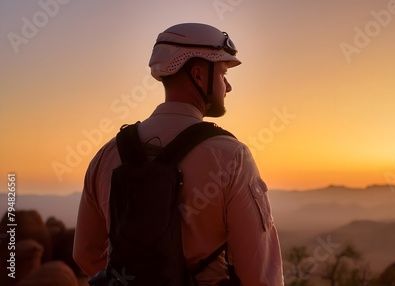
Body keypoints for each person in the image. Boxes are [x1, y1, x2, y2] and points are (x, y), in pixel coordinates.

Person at [73, 23, 284, 285]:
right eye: (222, 74)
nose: (227, 87)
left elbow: (85, 254)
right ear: (198, 75)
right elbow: (260, 275)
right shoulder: (232, 157)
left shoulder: (106, 155)